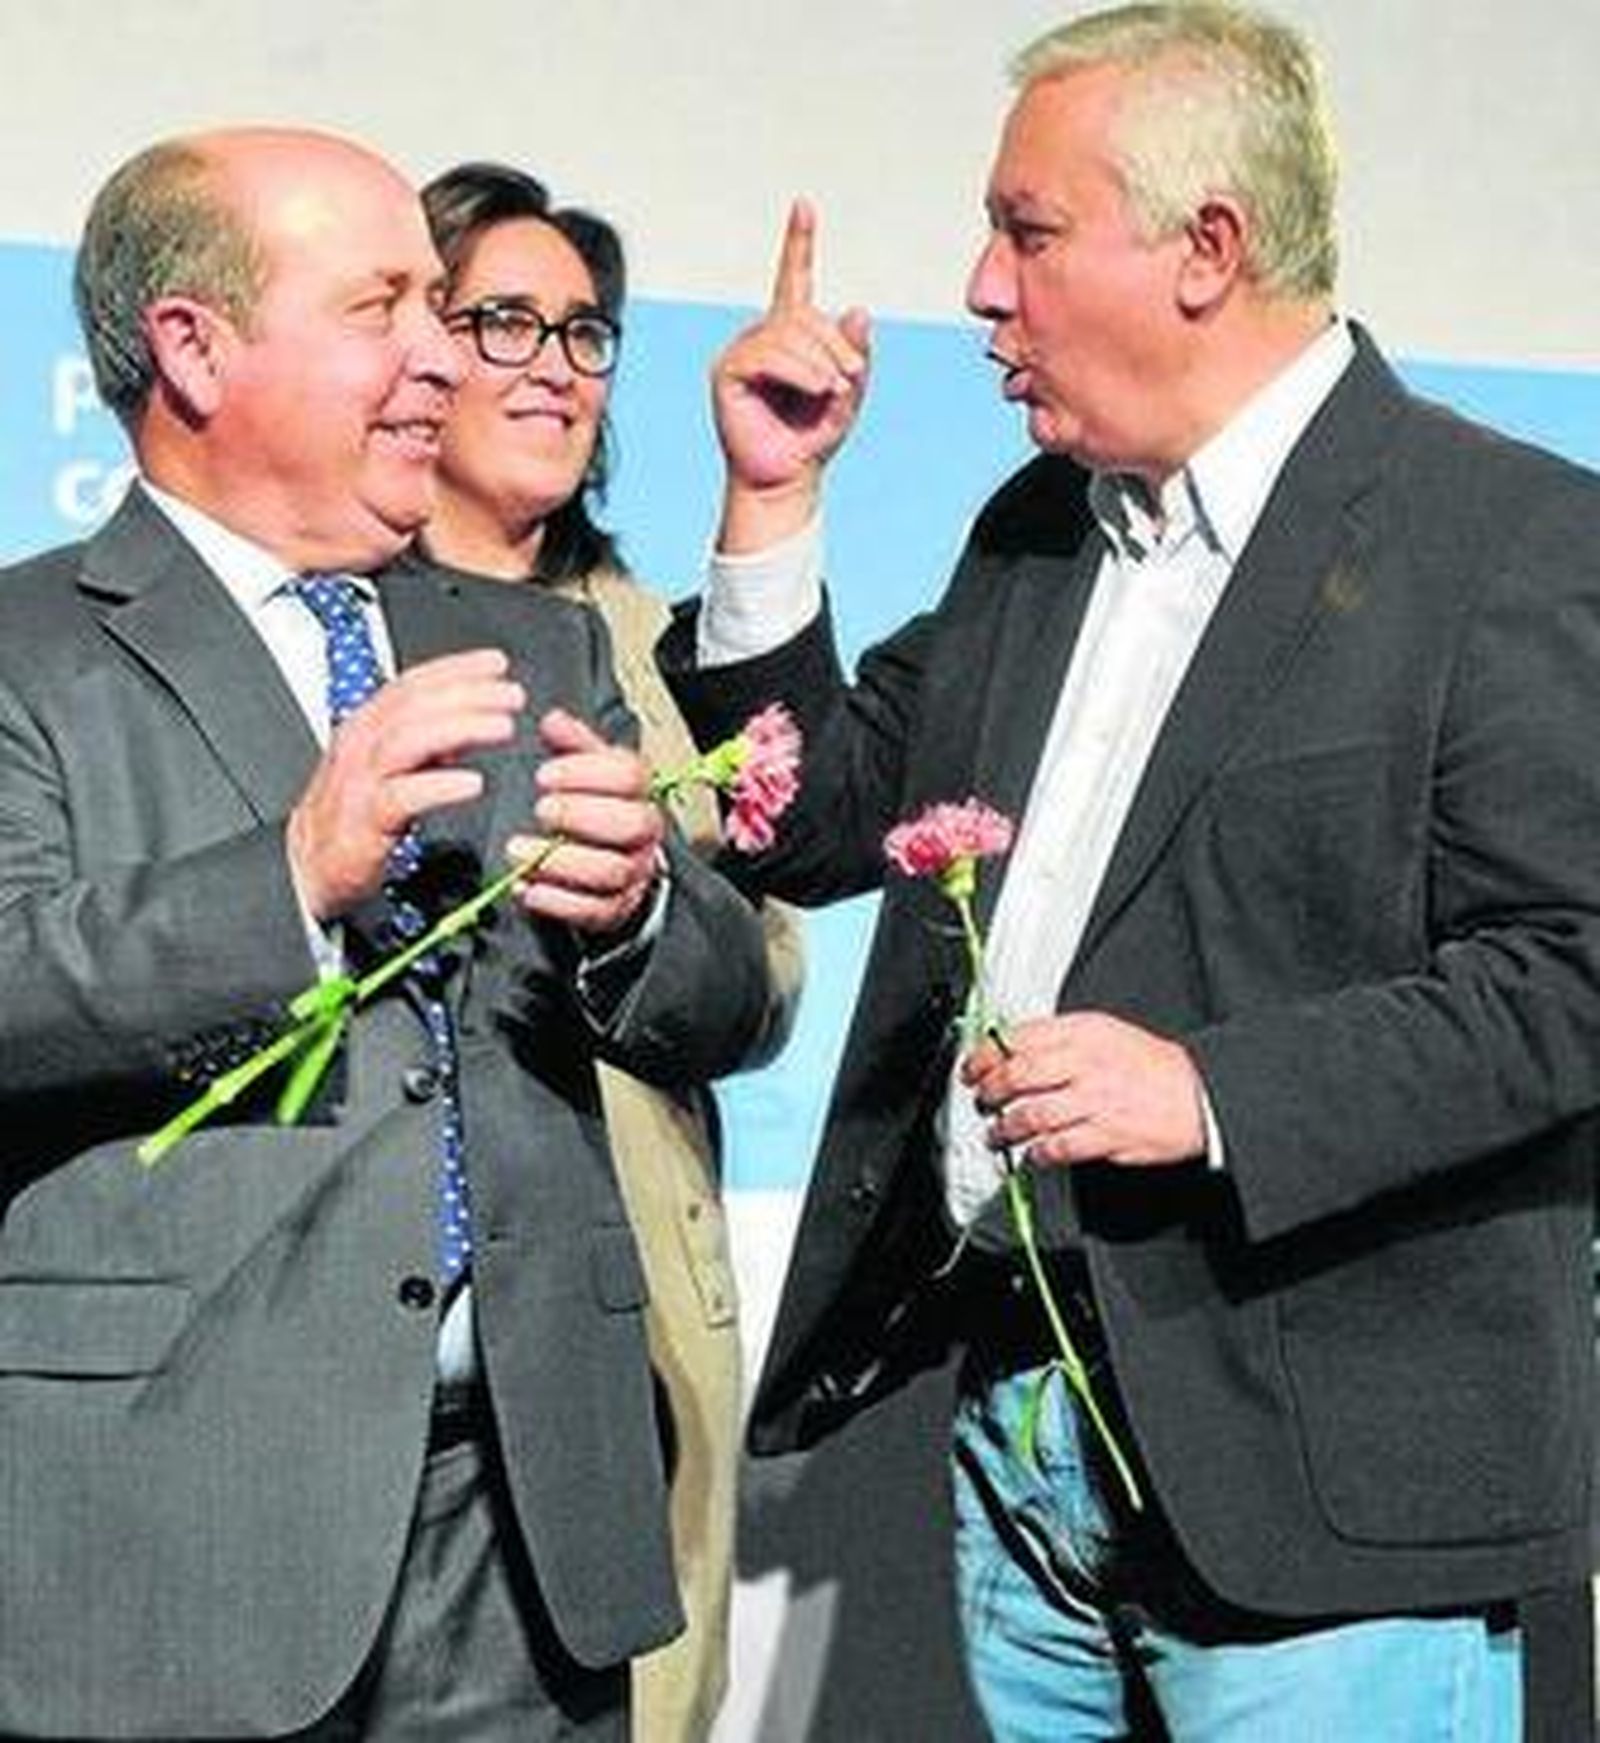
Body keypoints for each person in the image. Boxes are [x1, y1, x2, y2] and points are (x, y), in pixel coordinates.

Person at [659, 4, 1600, 1738]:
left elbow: (1573, 977)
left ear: (1206, 249)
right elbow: (814, 815)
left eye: (1027, 232)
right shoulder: (1035, 536)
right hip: (1023, 1466)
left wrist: (1211, 1093)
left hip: (1327, 1527)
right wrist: (771, 507)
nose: (980, 289)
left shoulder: (1509, 542)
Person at [0, 126, 771, 1741]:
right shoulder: (28, 652)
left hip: (526, 1542)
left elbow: (724, 1004)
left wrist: (640, 910)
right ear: (194, 348)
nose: (442, 358)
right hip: (183, 1538)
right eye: (381, 309)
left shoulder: (541, 646)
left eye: (437, 305)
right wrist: (288, 878)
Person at [386, 157, 804, 1742]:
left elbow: (766, 974)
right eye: (503, 320)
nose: (554, 365)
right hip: (383, 1312)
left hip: (627, 1291)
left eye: (583, 332)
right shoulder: (312, 616)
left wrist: (641, 907)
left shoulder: (654, 644)